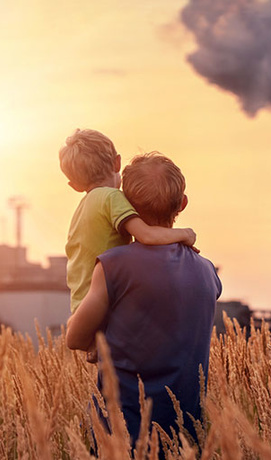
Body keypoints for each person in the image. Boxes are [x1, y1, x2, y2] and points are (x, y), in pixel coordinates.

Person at [66, 152, 222, 448]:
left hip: (120, 433)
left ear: (125, 203)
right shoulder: (207, 272)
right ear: (183, 204)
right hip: (186, 436)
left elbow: (75, 337)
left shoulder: (113, 265)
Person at [59, 129, 197, 315]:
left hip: (81, 307)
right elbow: (147, 235)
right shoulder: (111, 198)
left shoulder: (85, 206)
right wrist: (185, 234)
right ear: (117, 163)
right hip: (101, 307)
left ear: (74, 186)